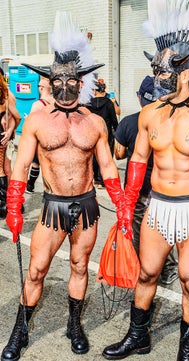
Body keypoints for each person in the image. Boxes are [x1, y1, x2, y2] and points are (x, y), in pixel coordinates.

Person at [102, 1, 189, 360]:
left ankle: (188, 350)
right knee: (146, 273)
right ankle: (138, 337)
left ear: (186, 73)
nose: (159, 79)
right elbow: (139, 160)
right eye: (156, 71)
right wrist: (128, 204)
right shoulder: (149, 114)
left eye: (167, 73)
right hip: (158, 206)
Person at [1, 12, 125, 361]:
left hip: (86, 205)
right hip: (53, 207)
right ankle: (19, 332)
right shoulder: (38, 121)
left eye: (72, 82)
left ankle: (74, 325)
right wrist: (13, 209)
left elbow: (106, 167)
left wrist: (123, 205)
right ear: (51, 82)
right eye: (58, 82)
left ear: (81, 81)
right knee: (37, 269)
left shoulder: (95, 122)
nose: (66, 88)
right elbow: (22, 166)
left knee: (79, 266)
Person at [114, 75, 178, 285]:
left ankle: (141, 270)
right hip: (165, 189)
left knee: (139, 232)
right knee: (165, 230)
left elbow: (119, 154)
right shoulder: (173, 120)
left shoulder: (130, 122)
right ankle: (168, 270)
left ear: (140, 97)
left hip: (139, 189)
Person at [86, 78, 118, 188]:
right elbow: (113, 119)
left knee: (93, 155)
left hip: (91, 132)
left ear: (94, 91)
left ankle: (96, 179)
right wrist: (117, 131)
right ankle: (103, 180)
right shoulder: (109, 103)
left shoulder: (89, 104)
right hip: (106, 132)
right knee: (105, 154)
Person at [26, 77, 54, 193]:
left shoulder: (37, 104)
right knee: (50, 165)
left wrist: (27, 118)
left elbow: (30, 123)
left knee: (36, 164)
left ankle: (30, 185)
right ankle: (51, 189)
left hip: (40, 138)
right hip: (52, 137)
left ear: (41, 88)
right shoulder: (55, 102)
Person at [0, 67, 20, 217]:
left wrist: (10, 131)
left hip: (5, 137)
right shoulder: (5, 94)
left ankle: (9, 202)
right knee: (5, 168)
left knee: (5, 169)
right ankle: (10, 201)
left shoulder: (7, 95)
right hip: (4, 136)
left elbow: (16, 117)